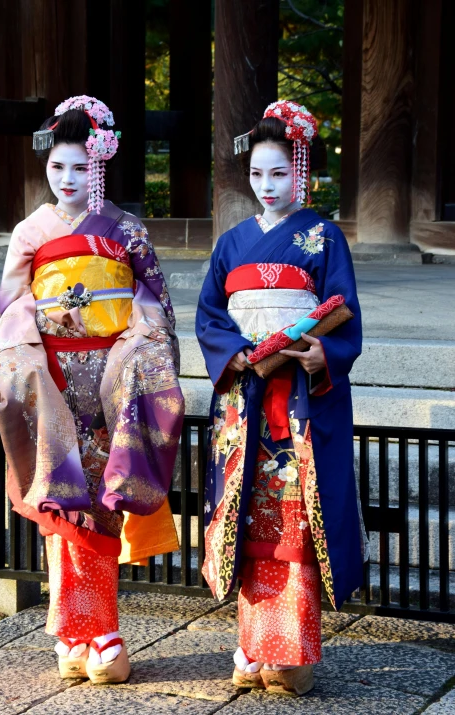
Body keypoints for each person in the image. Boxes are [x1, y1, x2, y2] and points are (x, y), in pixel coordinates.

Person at [0, 96, 184, 684]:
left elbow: (154, 304)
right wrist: (33, 334)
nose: (68, 180)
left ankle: (99, 631)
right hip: (53, 381)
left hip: (112, 379)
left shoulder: (126, 229)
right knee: (63, 509)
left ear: (100, 168)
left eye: (80, 169)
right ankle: (78, 635)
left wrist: (139, 344)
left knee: (100, 507)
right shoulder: (29, 232)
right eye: (58, 167)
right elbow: (11, 306)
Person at [195, 100, 367, 696]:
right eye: (257, 176)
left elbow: (344, 316)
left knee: (295, 521)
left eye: (279, 174)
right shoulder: (232, 241)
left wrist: (326, 355)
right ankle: (249, 645)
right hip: (246, 400)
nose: (267, 187)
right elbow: (210, 314)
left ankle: (291, 649)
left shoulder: (324, 238)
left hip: (299, 399)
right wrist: (235, 354)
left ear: (302, 172)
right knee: (247, 521)